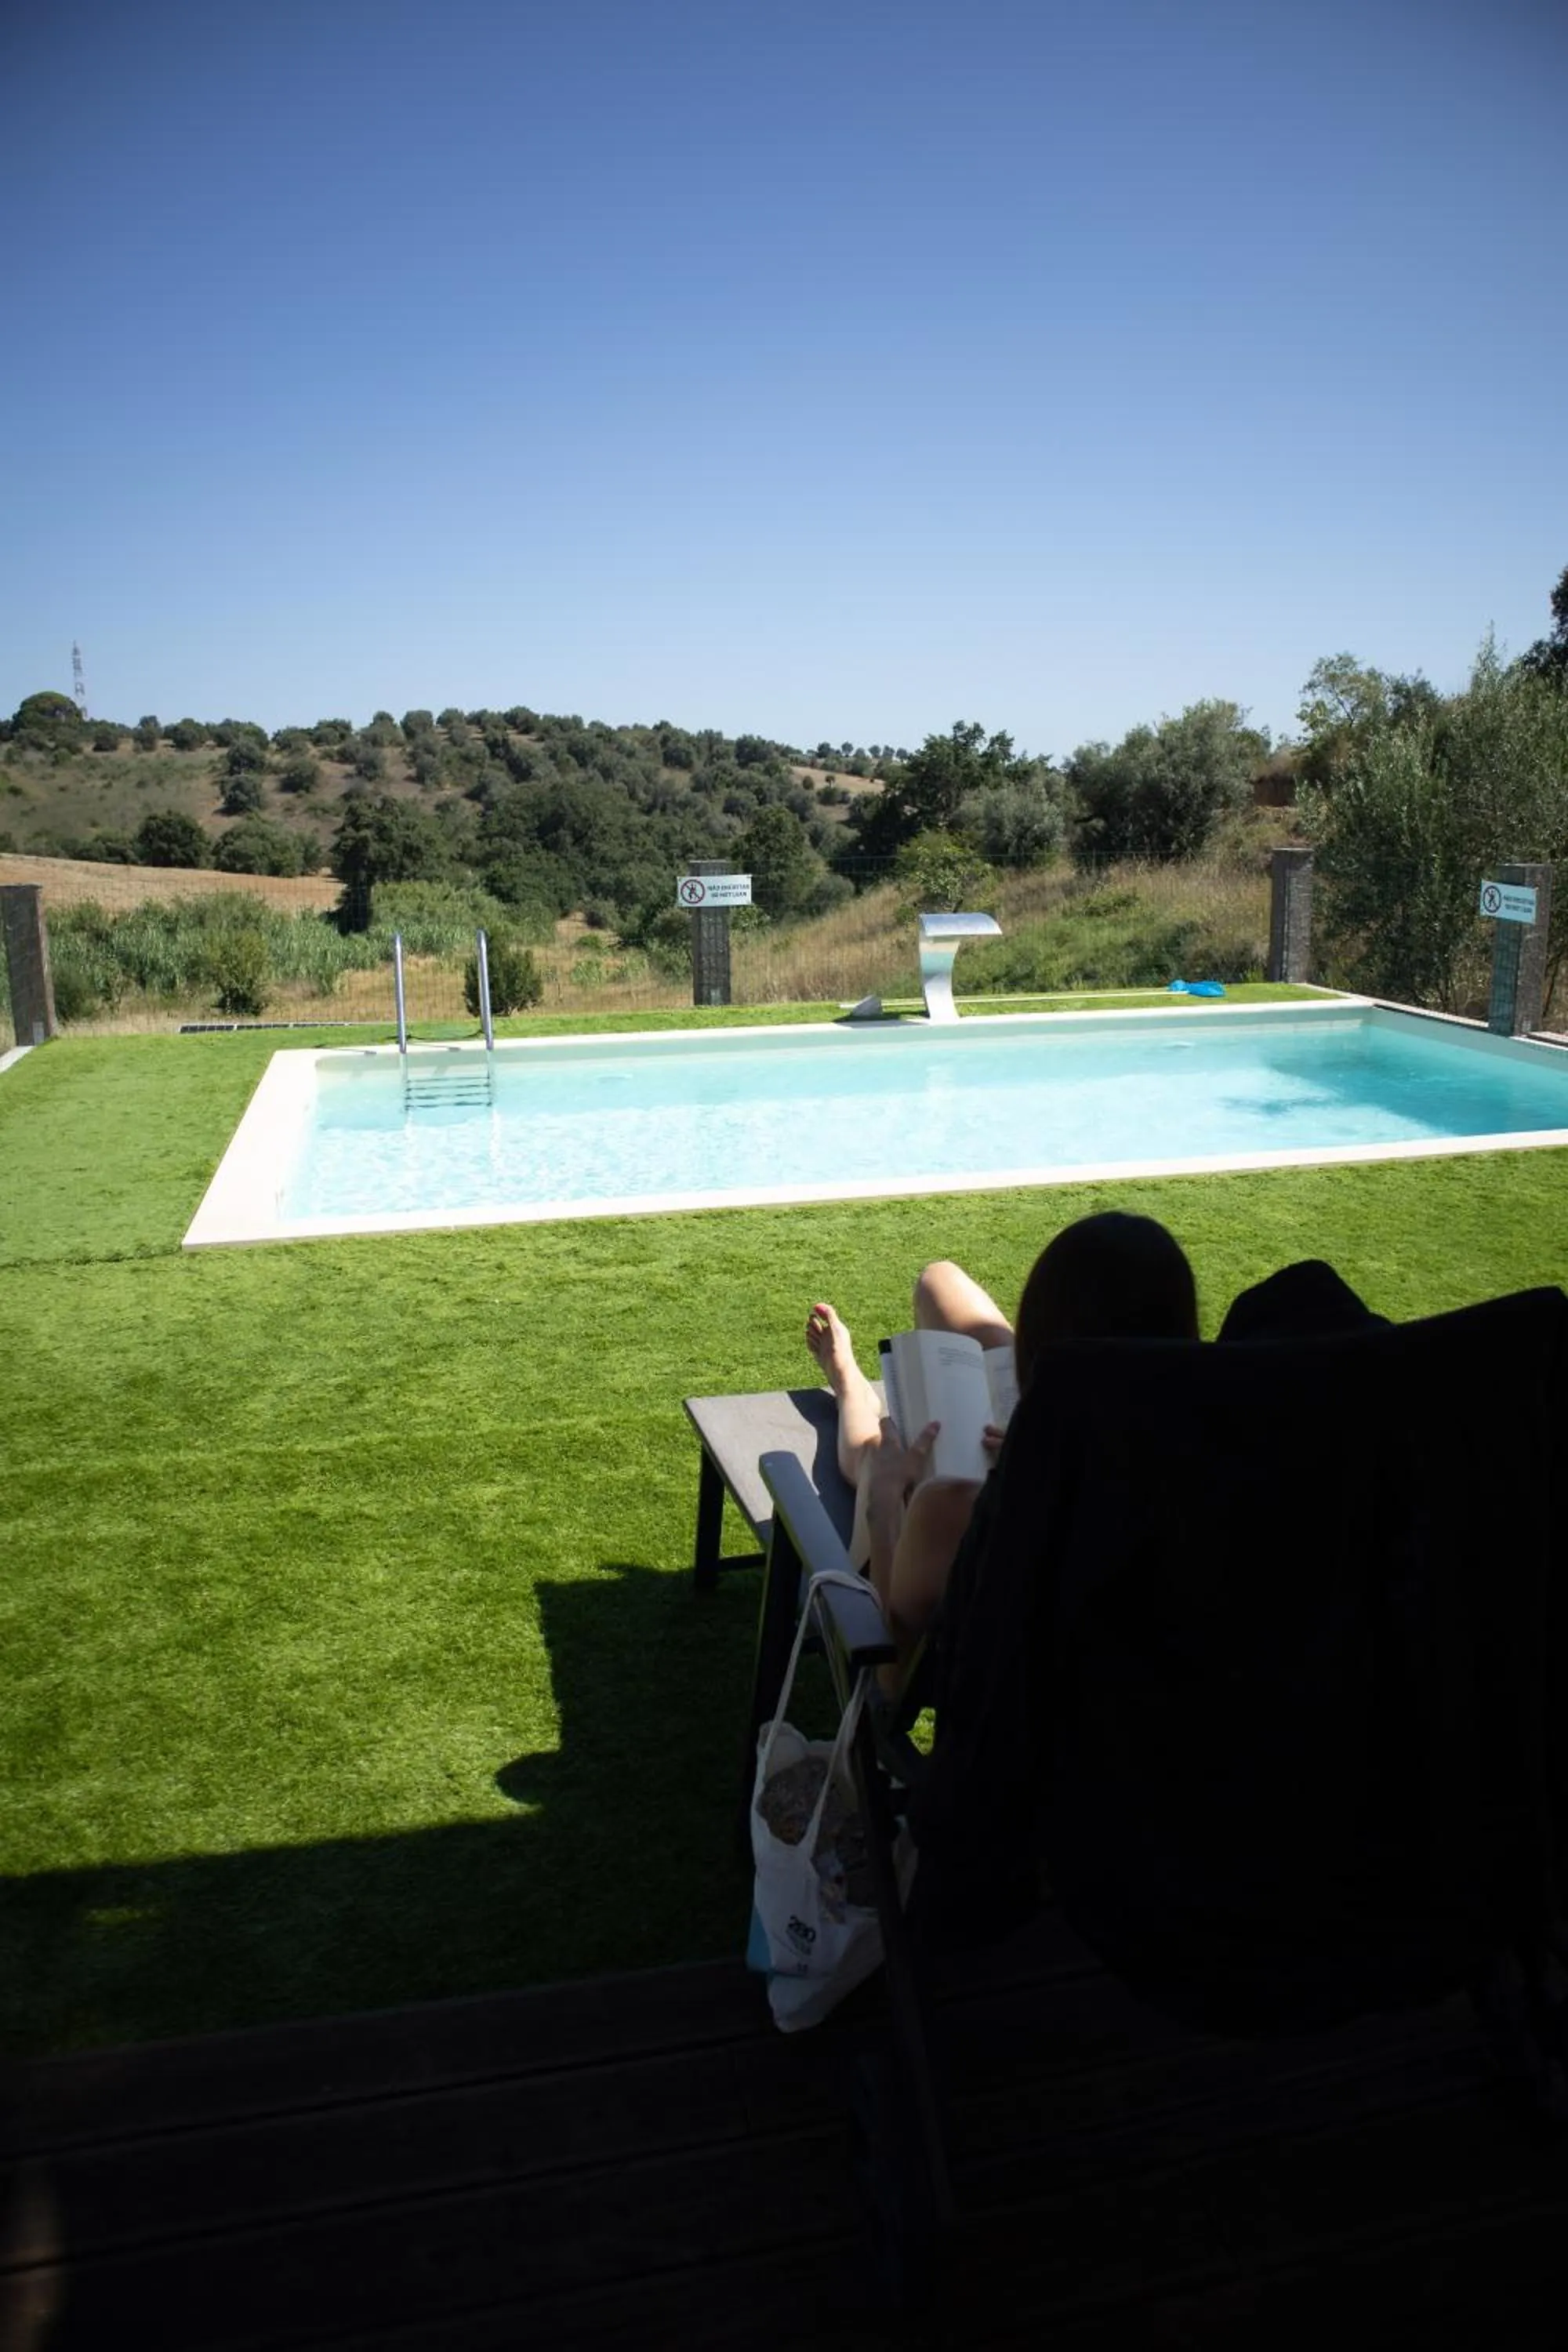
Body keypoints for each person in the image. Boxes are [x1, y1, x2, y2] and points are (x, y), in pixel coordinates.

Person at [805, 1211, 1200, 1686]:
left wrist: (884, 1510)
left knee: (880, 1453)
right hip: (1141, 1736)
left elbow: (889, 1683)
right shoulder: (1221, 1478)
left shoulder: (957, 1505)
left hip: (1020, 1745)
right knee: (941, 1282)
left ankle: (850, 1389)